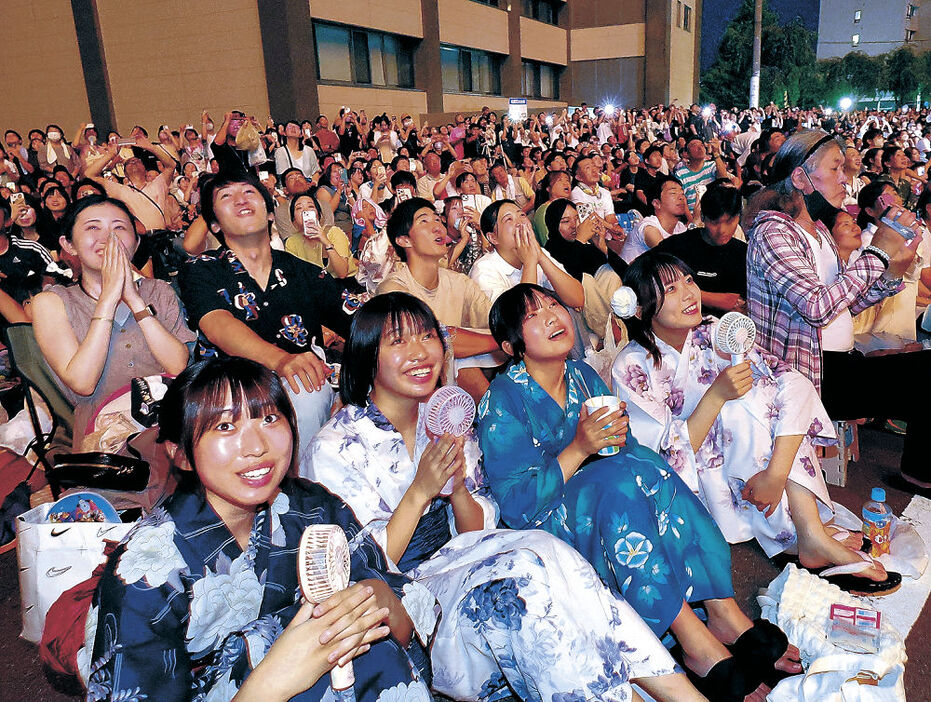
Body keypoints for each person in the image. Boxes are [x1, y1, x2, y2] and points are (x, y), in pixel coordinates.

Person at [305, 292, 702, 702]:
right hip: (413, 598)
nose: (421, 352)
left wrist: (457, 487)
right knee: (522, 584)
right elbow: (361, 571)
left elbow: (477, 525)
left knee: (558, 562)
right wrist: (420, 491)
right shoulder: (335, 447)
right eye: (398, 341)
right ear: (367, 356)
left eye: (426, 336)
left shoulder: (444, 419)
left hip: (471, 553)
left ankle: (682, 693)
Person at [478, 283, 801, 701]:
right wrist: (580, 446)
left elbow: (622, 451)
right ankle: (694, 640)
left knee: (649, 466)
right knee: (617, 483)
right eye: (533, 315)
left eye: (554, 304)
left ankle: (724, 611)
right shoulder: (501, 401)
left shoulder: (581, 376)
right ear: (511, 344)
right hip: (545, 519)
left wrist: (620, 441)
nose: (553, 315)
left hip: (604, 497)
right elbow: (517, 505)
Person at [85, 357, 433, 701]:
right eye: (224, 427)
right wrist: (271, 681)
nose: (257, 447)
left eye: (268, 418)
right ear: (181, 454)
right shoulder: (145, 572)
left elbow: (402, 628)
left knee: (372, 652)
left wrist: (378, 599)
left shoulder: (314, 508)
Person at [611, 251, 900, 594]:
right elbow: (660, 457)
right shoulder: (631, 365)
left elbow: (785, 380)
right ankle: (806, 534)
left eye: (689, 280)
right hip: (697, 477)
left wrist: (776, 474)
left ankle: (806, 529)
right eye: (671, 289)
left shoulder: (714, 331)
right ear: (639, 307)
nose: (689, 293)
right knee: (740, 410)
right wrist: (716, 395)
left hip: (752, 463)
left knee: (781, 388)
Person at [746, 129, 931, 490]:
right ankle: (918, 474)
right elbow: (816, 306)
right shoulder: (773, 232)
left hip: (840, 363)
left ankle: (919, 473)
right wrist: (876, 251)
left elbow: (845, 302)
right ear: (801, 177)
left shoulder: (817, 230)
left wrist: (891, 271)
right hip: (806, 375)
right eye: (836, 169)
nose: (846, 179)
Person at [178, 169, 352, 452]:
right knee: (305, 388)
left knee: (310, 387)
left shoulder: (303, 273)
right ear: (215, 225)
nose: (240, 200)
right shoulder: (201, 269)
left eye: (249, 192)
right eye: (226, 197)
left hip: (302, 392)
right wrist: (281, 360)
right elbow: (217, 324)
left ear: (270, 214)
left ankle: (302, 484)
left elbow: (362, 322)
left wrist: (354, 389)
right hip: (229, 399)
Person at [376, 198, 500, 401]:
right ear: (404, 240)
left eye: (437, 220)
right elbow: (433, 339)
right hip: (411, 390)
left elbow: (497, 320)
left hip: (452, 388)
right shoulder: (393, 289)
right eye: (424, 221)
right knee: (454, 358)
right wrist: (501, 341)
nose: (438, 227)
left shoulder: (460, 282)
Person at [654, 183, 748, 315]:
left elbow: (733, 301)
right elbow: (642, 270)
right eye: (714, 222)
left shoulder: (743, 252)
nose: (722, 230)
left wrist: (682, 290)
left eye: (729, 221)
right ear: (703, 217)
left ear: (738, 217)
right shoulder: (677, 246)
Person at [469, 199, 584, 307]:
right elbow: (518, 319)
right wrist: (530, 262)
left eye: (522, 215)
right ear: (493, 238)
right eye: (509, 219)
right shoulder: (483, 270)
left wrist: (540, 256)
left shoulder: (538, 252)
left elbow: (577, 299)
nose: (520, 223)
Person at [542, 198, 627, 280]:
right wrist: (580, 241)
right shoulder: (549, 254)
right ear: (553, 225)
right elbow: (572, 282)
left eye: (576, 218)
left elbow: (629, 277)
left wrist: (603, 248)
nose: (574, 225)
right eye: (566, 221)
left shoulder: (586, 248)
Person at [284, 192, 356, 278]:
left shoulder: (334, 232)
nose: (305, 211)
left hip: (345, 283)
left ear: (319, 215)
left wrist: (326, 242)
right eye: (299, 208)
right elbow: (296, 276)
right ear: (294, 220)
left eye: (311, 207)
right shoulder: (291, 242)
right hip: (315, 287)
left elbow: (342, 273)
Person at [619, 175, 688, 263]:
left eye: (682, 193)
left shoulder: (680, 228)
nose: (681, 197)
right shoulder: (649, 227)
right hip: (626, 275)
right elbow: (670, 258)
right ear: (656, 203)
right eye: (673, 193)